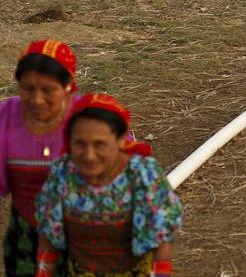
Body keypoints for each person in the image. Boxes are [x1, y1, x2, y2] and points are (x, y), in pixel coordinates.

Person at [33, 93, 182, 276]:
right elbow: (48, 239)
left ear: (120, 140)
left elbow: (161, 244)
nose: (88, 156)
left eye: (99, 145)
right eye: (79, 144)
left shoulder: (143, 176)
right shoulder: (62, 173)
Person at [2, 41, 83, 277]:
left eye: (48, 90)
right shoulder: (5, 118)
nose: (36, 99)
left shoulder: (92, 119)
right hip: (27, 239)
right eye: (27, 88)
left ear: (67, 85)